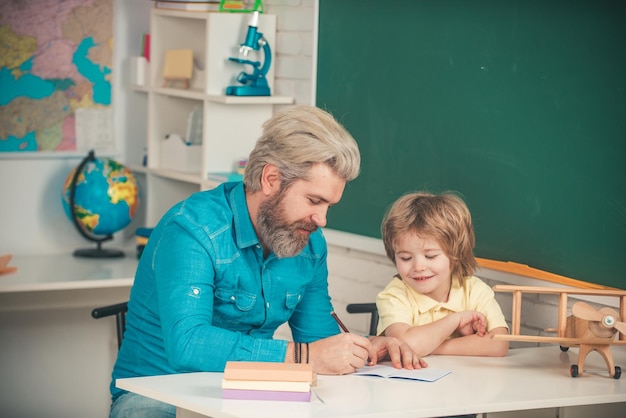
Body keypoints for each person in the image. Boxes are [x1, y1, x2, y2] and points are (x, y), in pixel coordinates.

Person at [109, 105, 426, 417]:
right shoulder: (192, 229)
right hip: (158, 394)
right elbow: (188, 343)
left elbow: (319, 342)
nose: (322, 219)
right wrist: (304, 356)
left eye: (329, 205)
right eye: (314, 201)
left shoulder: (310, 244)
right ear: (271, 179)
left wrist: (369, 348)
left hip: (248, 395)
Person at [376, 191, 510, 357]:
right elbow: (405, 344)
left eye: (430, 256)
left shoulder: (474, 290)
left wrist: (430, 347)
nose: (418, 266)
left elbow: (499, 343)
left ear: (455, 255)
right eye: (405, 257)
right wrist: (455, 320)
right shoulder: (394, 296)